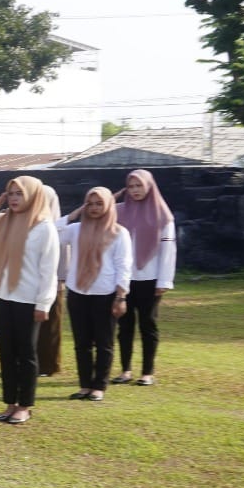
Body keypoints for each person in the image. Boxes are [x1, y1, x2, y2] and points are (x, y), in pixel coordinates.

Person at [0, 175, 61, 425]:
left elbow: (48, 270)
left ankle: (24, 405)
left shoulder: (43, 227)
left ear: (33, 195)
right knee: (6, 353)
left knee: (26, 354)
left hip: (28, 300)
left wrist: (44, 303)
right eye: (11, 193)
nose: (14, 198)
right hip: (0, 295)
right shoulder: (0, 221)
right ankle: (10, 402)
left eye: (19, 193)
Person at [58, 186, 133, 401]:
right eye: (89, 203)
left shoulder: (119, 233)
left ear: (109, 205)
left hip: (106, 293)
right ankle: (84, 385)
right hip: (78, 291)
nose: (94, 208)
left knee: (104, 342)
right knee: (82, 343)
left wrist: (121, 296)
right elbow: (52, 233)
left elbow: (123, 266)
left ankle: (99, 385)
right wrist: (74, 214)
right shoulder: (76, 229)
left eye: (99, 203)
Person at [111, 169, 176, 386]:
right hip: (125, 280)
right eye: (131, 186)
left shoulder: (163, 215)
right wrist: (113, 197)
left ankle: (147, 372)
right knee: (124, 326)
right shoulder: (119, 211)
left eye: (139, 185)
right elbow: (98, 210)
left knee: (148, 325)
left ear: (149, 186)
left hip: (150, 279)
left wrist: (164, 281)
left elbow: (168, 251)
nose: (135, 190)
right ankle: (125, 370)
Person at [36, 184, 66, 378]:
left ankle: (49, 365)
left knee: (51, 326)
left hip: (54, 282)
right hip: (30, 282)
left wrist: (61, 279)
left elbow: (63, 257)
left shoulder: (56, 227)